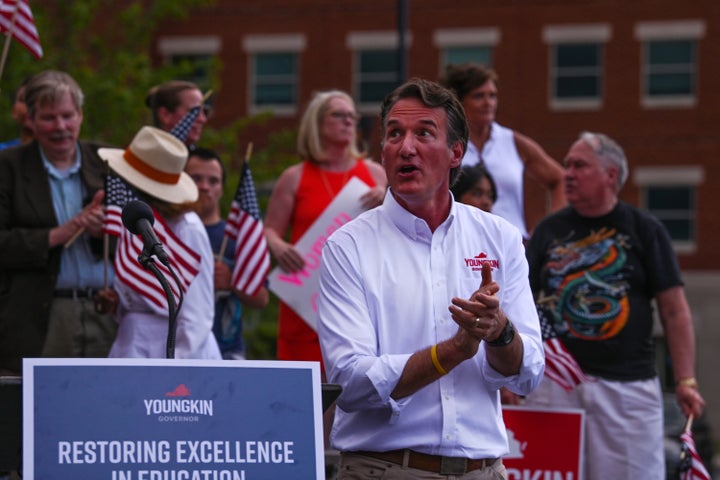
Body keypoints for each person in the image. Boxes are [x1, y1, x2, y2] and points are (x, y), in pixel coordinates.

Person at [316, 78, 545, 479]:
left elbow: (528, 373)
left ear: (456, 152)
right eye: (394, 134)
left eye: (424, 133)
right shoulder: (347, 246)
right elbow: (349, 382)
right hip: (384, 469)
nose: (406, 147)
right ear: (383, 153)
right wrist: (453, 350)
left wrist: (500, 333)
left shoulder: (500, 238)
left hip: (485, 470)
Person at [523, 131, 706, 479]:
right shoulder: (548, 231)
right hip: (554, 388)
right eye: (566, 166)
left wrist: (687, 380)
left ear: (610, 174)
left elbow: (674, 310)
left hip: (627, 392)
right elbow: (520, 305)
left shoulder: (645, 229)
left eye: (579, 165)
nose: (568, 174)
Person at [0, 70, 118, 375]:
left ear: (80, 116)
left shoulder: (109, 162)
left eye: (67, 115)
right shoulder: (8, 167)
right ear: (31, 120)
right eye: (49, 118)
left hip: (107, 311)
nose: (60, 127)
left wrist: (102, 231)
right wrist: (61, 233)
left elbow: (140, 238)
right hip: (40, 316)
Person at [264, 89, 386, 367]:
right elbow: (269, 230)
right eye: (338, 115)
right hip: (306, 302)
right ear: (317, 123)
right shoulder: (294, 177)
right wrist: (279, 245)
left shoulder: (376, 174)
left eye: (352, 116)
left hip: (359, 300)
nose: (348, 121)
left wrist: (387, 198)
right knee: (307, 396)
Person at [99, 126, 221, 359]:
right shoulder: (136, 217)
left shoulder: (188, 227)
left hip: (171, 353)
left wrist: (176, 368)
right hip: (133, 345)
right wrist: (119, 302)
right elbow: (140, 294)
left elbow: (197, 312)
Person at [441, 63, 565, 238]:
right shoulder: (445, 144)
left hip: (514, 245)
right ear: (459, 102)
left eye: (492, 96)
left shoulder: (514, 142)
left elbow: (560, 179)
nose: (488, 103)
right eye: (478, 96)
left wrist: (548, 233)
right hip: (462, 243)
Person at [185, 146, 269, 359]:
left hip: (228, 351)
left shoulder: (237, 237)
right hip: (179, 346)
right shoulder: (172, 232)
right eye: (196, 178)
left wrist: (232, 281)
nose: (204, 187)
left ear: (222, 188)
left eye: (213, 181)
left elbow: (262, 299)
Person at [145, 80, 210, 148]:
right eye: (193, 112)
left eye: (205, 112)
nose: (202, 119)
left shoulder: (203, 157)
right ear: (165, 115)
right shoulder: (145, 155)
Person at [0, 77, 34, 150]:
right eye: (23, 99)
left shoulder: (61, 156)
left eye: (35, 99)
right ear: (14, 111)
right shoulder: (3, 153)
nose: (29, 105)